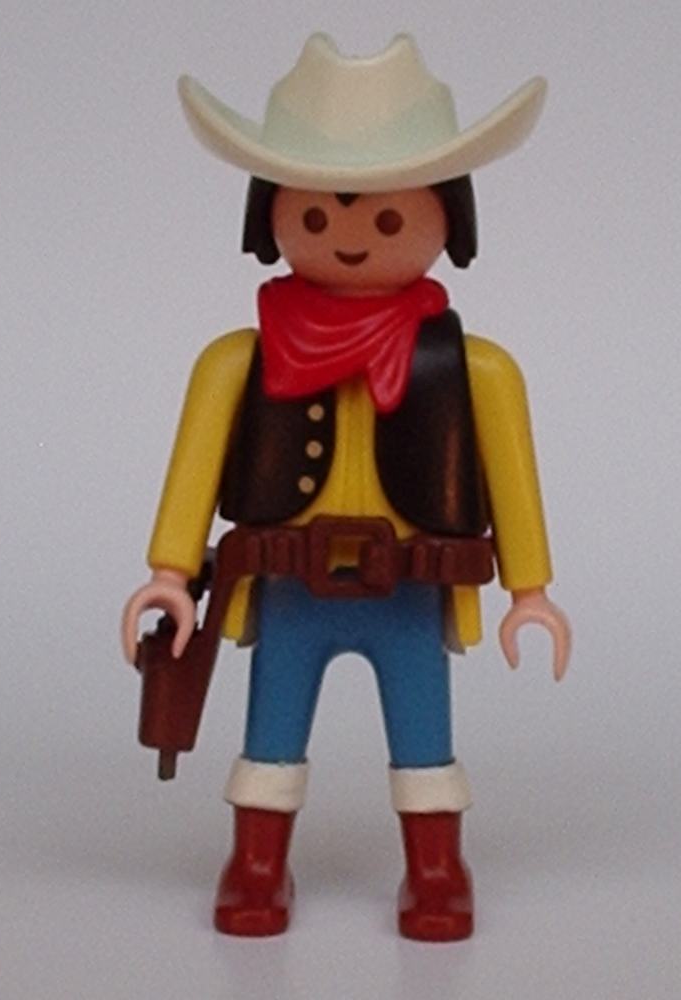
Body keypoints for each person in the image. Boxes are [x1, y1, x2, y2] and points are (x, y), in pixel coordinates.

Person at [122, 33, 570, 941]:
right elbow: (195, 467)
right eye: (318, 218)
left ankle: (436, 868)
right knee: (272, 731)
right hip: (287, 584)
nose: (352, 239)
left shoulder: (478, 369)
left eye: (389, 221)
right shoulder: (237, 361)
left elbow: (512, 477)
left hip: (412, 588)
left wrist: (531, 591)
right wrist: (170, 573)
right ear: (269, 216)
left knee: (424, 736)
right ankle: (257, 861)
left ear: (449, 218)